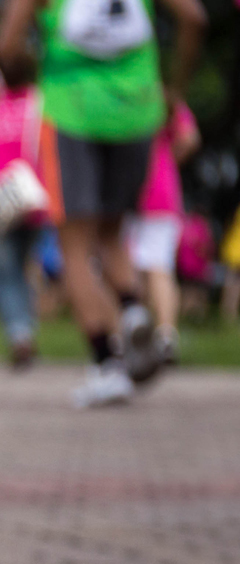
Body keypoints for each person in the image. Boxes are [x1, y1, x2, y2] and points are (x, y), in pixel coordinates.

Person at [0, 0, 205, 408]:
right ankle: (132, 311)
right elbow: (194, 19)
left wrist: (37, 57)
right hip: (138, 109)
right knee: (112, 233)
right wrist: (175, 87)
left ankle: (107, 364)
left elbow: (6, 44)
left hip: (72, 110)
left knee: (74, 247)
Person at [0, 51, 50, 369]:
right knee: (22, 267)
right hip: (34, 194)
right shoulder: (41, 101)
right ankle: (25, 331)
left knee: (6, 272)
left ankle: (20, 333)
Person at [128, 98, 200, 367]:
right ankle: (166, 334)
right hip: (163, 191)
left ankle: (133, 337)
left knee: (130, 269)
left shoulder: (125, 97)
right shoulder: (168, 100)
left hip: (128, 192)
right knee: (160, 267)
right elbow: (190, 138)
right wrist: (168, 159)